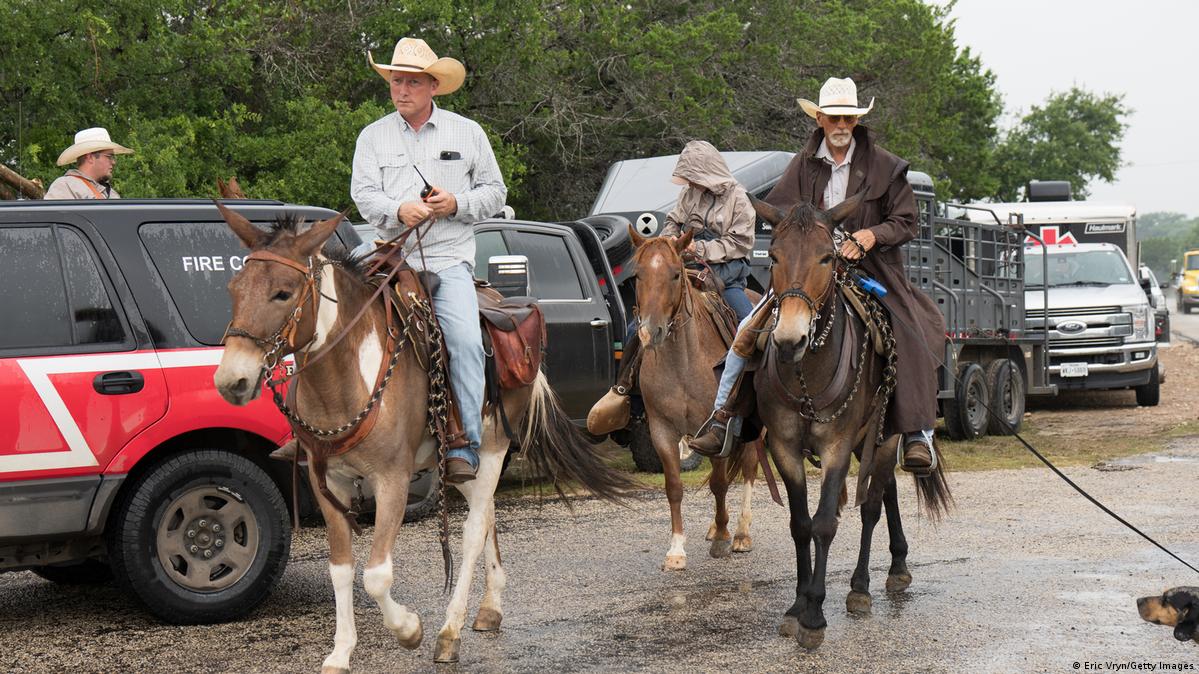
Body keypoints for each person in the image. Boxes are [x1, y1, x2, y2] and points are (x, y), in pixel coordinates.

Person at [688, 77, 946, 473]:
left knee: (912, 327)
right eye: (833, 118)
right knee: (749, 331)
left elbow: (906, 221)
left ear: (856, 120)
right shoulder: (802, 164)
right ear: (820, 119)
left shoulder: (886, 166)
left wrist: (870, 235)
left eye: (848, 118)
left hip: (873, 268)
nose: (841, 126)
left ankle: (917, 433)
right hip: (809, 271)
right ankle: (726, 418)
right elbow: (781, 212)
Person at [350, 37, 507, 483]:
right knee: (327, 308)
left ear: (433, 86)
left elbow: (496, 193)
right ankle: (315, 429)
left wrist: (454, 203)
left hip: (446, 257)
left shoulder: (468, 132)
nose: (401, 90)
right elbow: (363, 195)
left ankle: (465, 444)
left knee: (463, 341)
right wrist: (398, 210)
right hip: (387, 253)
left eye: (412, 83)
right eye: (396, 81)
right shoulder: (372, 136)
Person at [585, 140, 755, 436]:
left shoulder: (739, 199)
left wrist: (698, 248)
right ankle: (625, 390)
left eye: (693, 176)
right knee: (636, 326)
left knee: (749, 322)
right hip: (683, 266)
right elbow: (674, 223)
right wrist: (667, 247)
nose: (689, 182)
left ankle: (757, 396)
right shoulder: (689, 195)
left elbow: (739, 243)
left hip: (726, 271)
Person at [43, 127, 133, 199]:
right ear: (90, 157)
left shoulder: (112, 193)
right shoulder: (65, 186)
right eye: (109, 156)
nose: (113, 162)